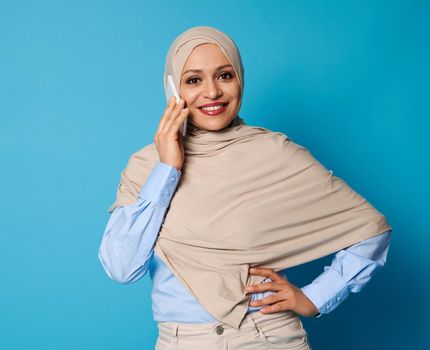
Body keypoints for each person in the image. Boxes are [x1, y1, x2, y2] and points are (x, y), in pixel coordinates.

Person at [99, 26, 392, 350]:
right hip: (181, 341)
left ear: (240, 79)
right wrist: (168, 167)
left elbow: (371, 228)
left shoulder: (275, 153)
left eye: (224, 76)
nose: (212, 92)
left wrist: (315, 297)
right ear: (172, 88)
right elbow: (121, 268)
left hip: (266, 337)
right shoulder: (147, 165)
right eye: (194, 80)